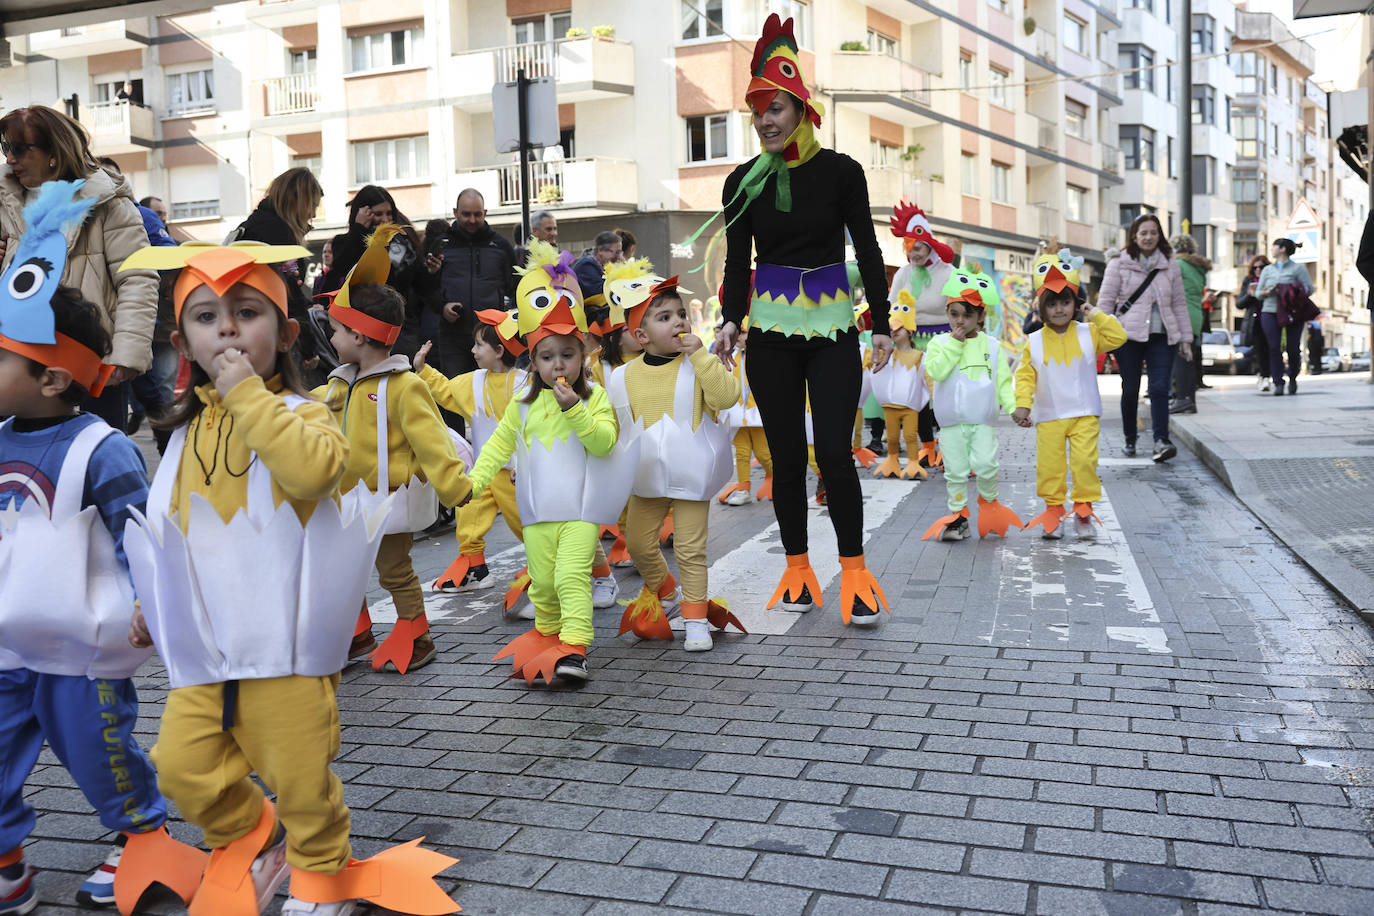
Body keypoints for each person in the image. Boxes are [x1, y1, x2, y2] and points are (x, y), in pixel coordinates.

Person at [120, 241, 459, 916]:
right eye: (206, 315)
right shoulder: (184, 434)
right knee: (184, 766)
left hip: (286, 646)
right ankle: (253, 832)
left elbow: (309, 472)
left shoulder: (311, 415)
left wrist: (248, 392)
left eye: (246, 312)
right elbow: (173, 523)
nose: (226, 329)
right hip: (209, 648)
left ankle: (321, 870)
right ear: (180, 339)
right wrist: (151, 601)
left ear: (287, 334)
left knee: (299, 775)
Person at [0, 192, 204, 913]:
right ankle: (7, 865)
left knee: (100, 751)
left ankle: (140, 838)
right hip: (3, 645)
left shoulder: (100, 446)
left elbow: (141, 532)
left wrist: (153, 602)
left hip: (79, 645)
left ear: (53, 377)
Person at [710, 14, 892, 626]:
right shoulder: (742, 181)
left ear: (801, 109)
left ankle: (856, 574)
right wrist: (732, 320)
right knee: (786, 458)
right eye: (757, 108)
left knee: (834, 455)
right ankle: (796, 570)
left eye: (775, 107)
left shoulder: (842, 172)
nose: (764, 119)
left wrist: (883, 323)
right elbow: (739, 261)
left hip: (836, 329)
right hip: (770, 334)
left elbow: (867, 250)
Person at [470, 244, 635, 684]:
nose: (557, 364)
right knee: (541, 582)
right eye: (547, 357)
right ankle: (546, 637)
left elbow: (603, 444)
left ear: (583, 357)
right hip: (539, 511)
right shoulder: (522, 405)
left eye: (567, 354)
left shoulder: (593, 397)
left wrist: (574, 409)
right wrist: (474, 482)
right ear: (534, 361)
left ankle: (576, 648)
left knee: (569, 577)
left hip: (581, 511)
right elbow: (497, 446)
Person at [606, 278, 744, 652]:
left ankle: (695, 617)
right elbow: (613, 427)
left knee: (690, 548)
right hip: (644, 477)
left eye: (681, 314)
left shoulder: (698, 364)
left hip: (690, 473)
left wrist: (701, 356)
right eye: (664, 317)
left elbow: (728, 397)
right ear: (641, 335)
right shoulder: (621, 377)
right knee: (636, 542)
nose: (679, 322)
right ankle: (668, 592)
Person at [0, 105, 157, 432]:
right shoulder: (6, 202)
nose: (9, 158)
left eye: (18, 148)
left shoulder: (109, 203)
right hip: (17, 363)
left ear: (53, 153)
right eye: (5, 148)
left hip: (87, 362)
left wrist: (125, 355)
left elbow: (138, 278)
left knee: (90, 462)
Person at [1012, 248, 1127, 539]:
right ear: (1042, 307)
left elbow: (1119, 337)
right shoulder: (1033, 341)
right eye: (1053, 304)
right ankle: (1053, 511)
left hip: (1084, 412)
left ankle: (1084, 509)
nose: (1060, 309)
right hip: (1050, 415)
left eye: (1066, 302)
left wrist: (1096, 314)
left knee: (1084, 463)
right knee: (1050, 466)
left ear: (1075, 304)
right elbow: (1025, 376)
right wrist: (1023, 406)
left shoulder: (1089, 333)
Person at [413, 311, 528, 597]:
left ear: (499, 350)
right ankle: (474, 568)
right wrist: (424, 369)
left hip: (517, 474)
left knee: (525, 523)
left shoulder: (525, 384)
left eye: (479, 345)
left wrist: (528, 462)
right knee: (469, 512)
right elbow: (446, 390)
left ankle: (543, 565)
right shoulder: (475, 381)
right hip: (484, 471)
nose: (473, 350)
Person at [920, 266, 1022, 542]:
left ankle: (990, 507)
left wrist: (1013, 409)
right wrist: (954, 343)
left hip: (982, 421)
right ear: (947, 313)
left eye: (967, 315)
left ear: (980, 317)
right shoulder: (939, 343)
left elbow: (1002, 381)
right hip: (951, 423)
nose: (960, 321)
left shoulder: (992, 345)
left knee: (986, 465)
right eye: (954, 314)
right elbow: (937, 372)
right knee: (955, 472)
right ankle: (958, 519)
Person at [1097, 213, 1191, 462]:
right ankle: (1130, 438)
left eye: (1153, 232)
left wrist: (1187, 338)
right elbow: (1105, 303)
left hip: (1163, 336)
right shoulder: (1118, 264)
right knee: (1130, 390)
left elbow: (1180, 304)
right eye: (1143, 233)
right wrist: (1101, 333)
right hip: (1127, 337)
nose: (1148, 237)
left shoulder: (1170, 265)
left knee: (1160, 388)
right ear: (1134, 237)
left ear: (1159, 235)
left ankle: (1162, 440)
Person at [417, 189, 518, 414]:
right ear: (455, 212)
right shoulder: (441, 244)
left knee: (496, 394)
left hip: (492, 337)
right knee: (453, 395)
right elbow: (425, 288)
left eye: (477, 214)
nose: (472, 220)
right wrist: (441, 306)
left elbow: (515, 287)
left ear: (485, 213)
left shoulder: (500, 246)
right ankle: (458, 448)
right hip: (453, 334)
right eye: (466, 214)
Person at [887, 200, 955, 470]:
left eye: (916, 247)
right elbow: (892, 306)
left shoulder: (948, 272)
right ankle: (927, 446)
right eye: (908, 248)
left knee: (943, 394)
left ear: (927, 243)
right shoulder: (904, 273)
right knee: (917, 395)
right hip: (912, 341)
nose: (912, 254)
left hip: (943, 339)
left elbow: (959, 305)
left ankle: (948, 445)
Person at [717, 321, 773, 506]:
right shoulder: (732, 357)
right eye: (739, 334)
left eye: (744, 333)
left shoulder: (764, 356)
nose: (742, 338)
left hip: (757, 415)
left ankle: (777, 479)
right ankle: (743, 490)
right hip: (736, 415)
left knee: (764, 453)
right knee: (741, 453)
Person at [1254, 237, 1315, 396]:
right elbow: (1258, 294)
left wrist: (1291, 290)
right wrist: (1267, 292)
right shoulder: (1267, 270)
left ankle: (1293, 377)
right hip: (1270, 311)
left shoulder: (1298, 269)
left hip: (1292, 312)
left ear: (1282, 249)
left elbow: (1309, 289)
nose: (1271, 249)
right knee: (1274, 348)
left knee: (1293, 349)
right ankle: (1278, 383)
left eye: (1274, 246)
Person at [1168, 234, 1209, 415]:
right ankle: (1189, 400)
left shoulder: (1177, 265)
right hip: (1196, 315)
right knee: (1190, 359)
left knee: (1181, 359)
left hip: (1180, 315)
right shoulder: (1198, 268)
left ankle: (1182, 399)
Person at [1237, 254, 1271, 391]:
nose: (1258, 270)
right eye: (1255, 267)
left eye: (1261, 267)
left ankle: (1267, 376)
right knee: (1260, 350)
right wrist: (1250, 295)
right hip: (1255, 322)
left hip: (1271, 319)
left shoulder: (1271, 280)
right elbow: (1239, 304)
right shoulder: (1248, 281)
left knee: (1271, 349)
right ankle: (1264, 376)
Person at [573, 230, 624, 317]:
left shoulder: (601, 265)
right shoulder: (586, 265)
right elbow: (600, 292)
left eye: (620, 252)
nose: (619, 257)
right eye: (616, 252)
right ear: (600, 250)